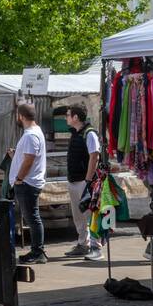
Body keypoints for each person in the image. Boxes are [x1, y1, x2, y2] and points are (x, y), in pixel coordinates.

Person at [7, 102, 47, 265]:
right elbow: (28, 157)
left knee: (32, 218)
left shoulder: (31, 135)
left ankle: (38, 251)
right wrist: (15, 157)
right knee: (32, 217)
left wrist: (19, 179)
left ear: (21, 116)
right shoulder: (33, 133)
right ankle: (37, 250)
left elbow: (29, 160)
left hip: (27, 183)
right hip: (28, 182)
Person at [62, 105, 103, 261]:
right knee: (78, 215)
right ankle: (82, 244)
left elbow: (95, 156)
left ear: (75, 117)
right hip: (74, 180)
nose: (66, 117)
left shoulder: (89, 133)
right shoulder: (75, 133)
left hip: (85, 182)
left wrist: (88, 179)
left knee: (92, 215)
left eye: (68, 115)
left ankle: (96, 247)